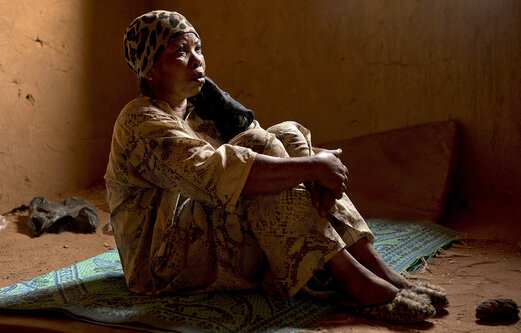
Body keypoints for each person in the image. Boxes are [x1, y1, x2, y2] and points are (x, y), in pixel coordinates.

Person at [105, 10, 447, 324]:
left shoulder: (199, 103)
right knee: (273, 155)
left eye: (199, 48)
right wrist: (312, 168)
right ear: (149, 68)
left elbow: (267, 144)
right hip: (165, 263)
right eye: (181, 51)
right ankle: (352, 280)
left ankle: (374, 266)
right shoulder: (140, 121)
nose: (197, 60)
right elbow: (214, 176)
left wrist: (308, 161)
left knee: (288, 134)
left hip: (208, 230)